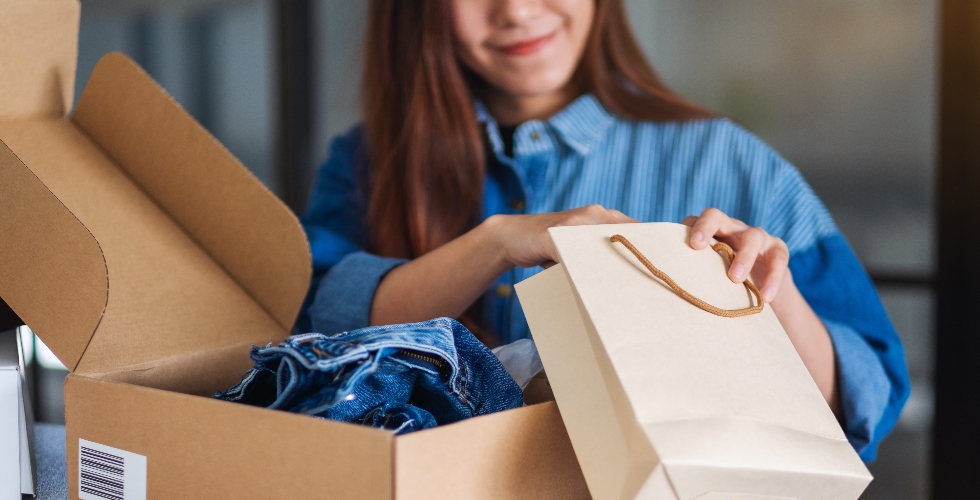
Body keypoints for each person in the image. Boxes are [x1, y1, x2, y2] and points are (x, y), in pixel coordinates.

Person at [299, 0, 909, 462]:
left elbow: (859, 405)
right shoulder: (367, 163)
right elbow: (313, 336)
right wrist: (497, 242)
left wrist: (772, 291)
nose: (515, 10)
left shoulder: (734, 164)